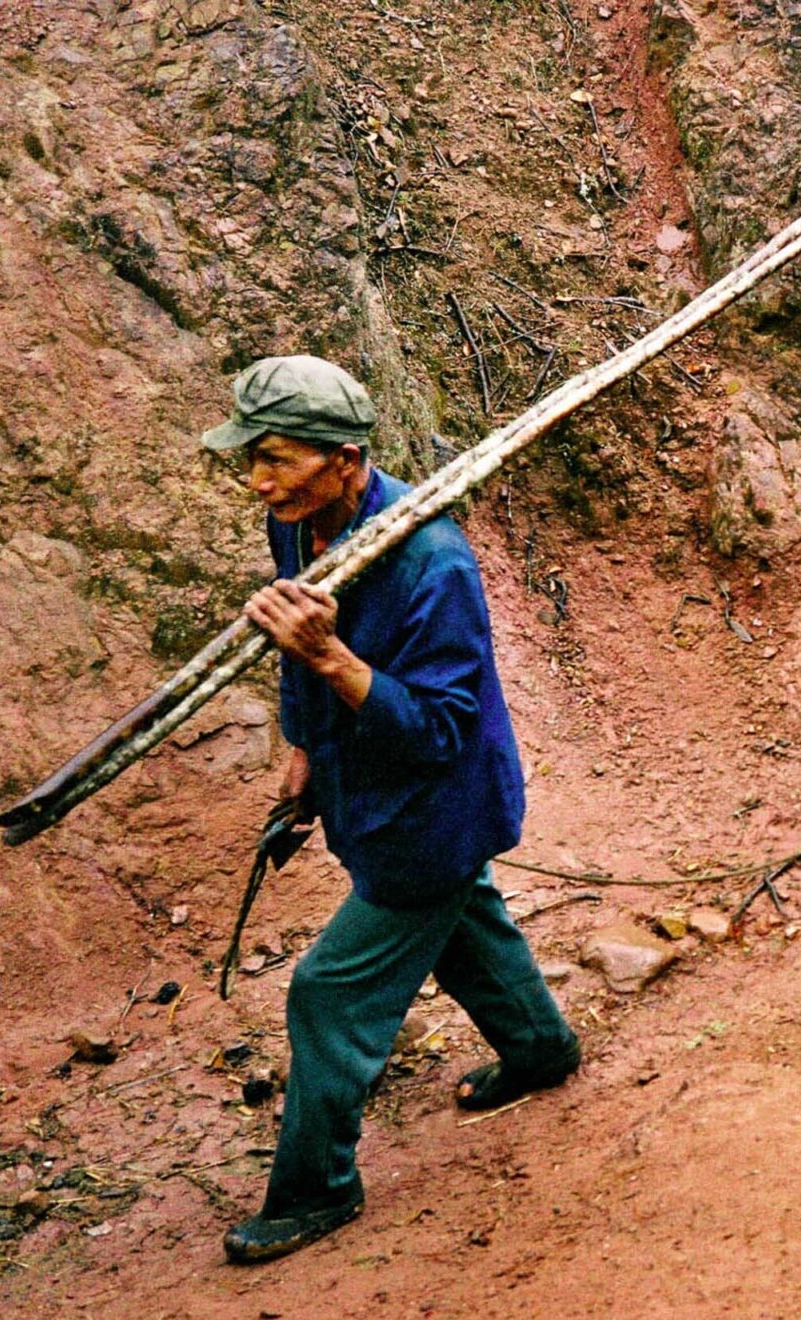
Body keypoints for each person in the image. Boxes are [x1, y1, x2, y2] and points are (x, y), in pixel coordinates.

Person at [200, 355, 580, 1264]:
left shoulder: (432, 560)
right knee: (466, 927)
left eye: (278, 458)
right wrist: (302, 756)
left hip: (434, 810)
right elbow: (298, 657)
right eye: (251, 456)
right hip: (364, 791)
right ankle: (540, 1052)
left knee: (330, 990)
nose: (259, 479)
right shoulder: (294, 524)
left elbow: (443, 730)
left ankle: (316, 1190)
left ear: (346, 457)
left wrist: (332, 658)